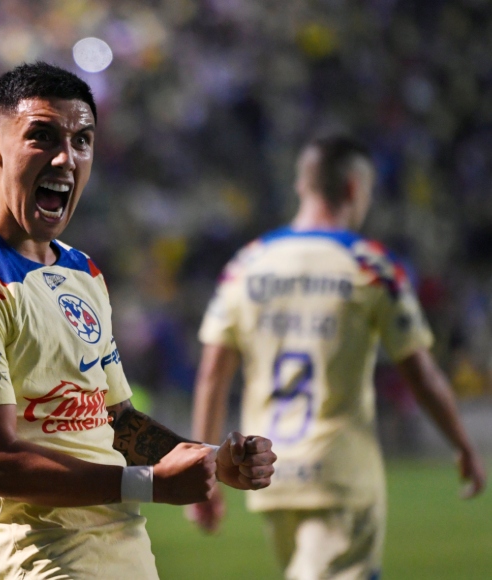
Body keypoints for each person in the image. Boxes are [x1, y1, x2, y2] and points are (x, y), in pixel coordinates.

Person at [0, 61, 277, 579]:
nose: (66, 158)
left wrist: (213, 459)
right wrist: (150, 484)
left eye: (82, 140)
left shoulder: (80, 271)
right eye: (42, 136)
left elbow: (117, 422)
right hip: (37, 563)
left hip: (123, 555)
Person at [189, 135, 487, 579]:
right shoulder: (371, 266)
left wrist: (202, 466)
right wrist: (463, 444)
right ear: (353, 187)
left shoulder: (245, 266)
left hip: (268, 472)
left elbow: (213, 374)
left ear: (302, 186)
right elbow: (420, 374)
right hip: (340, 474)